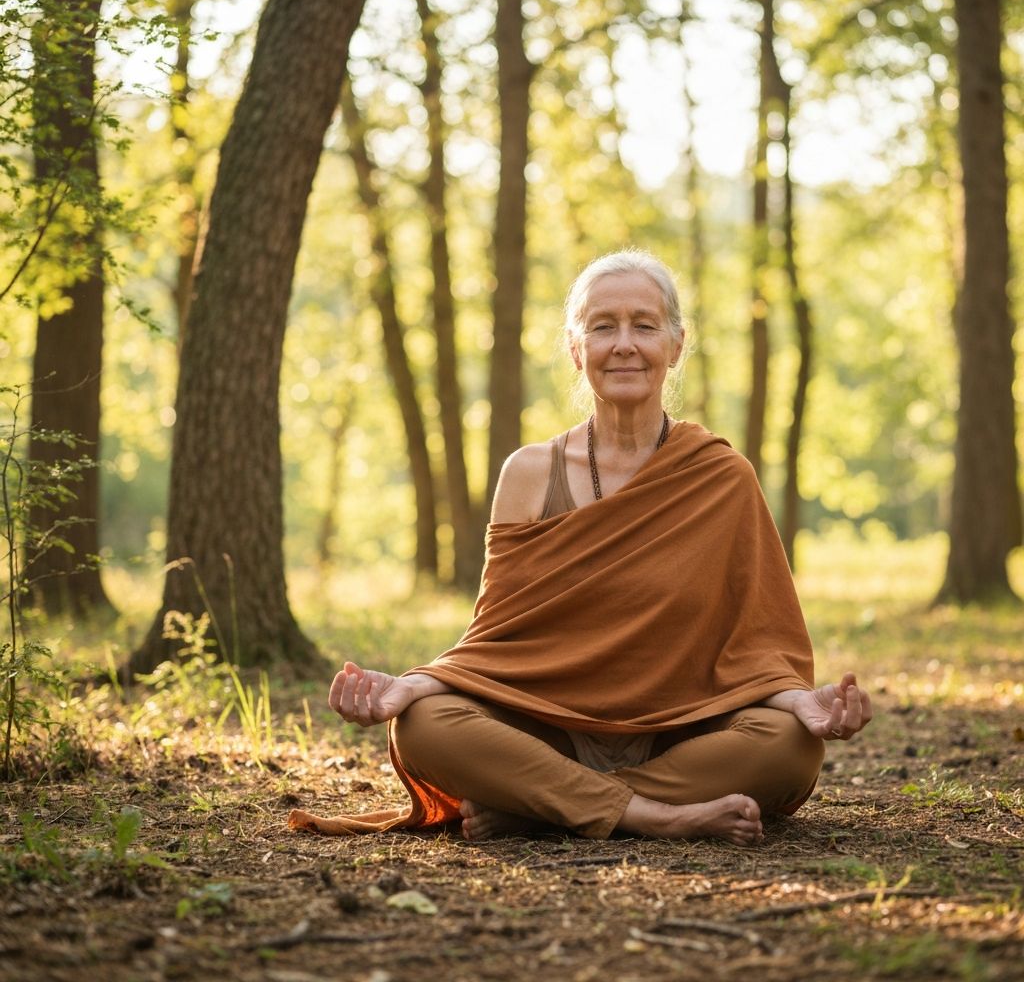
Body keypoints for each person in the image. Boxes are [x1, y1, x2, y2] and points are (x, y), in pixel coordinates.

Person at [289, 249, 872, 847]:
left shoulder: (720, 476)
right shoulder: (529, 473)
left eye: (644, 325)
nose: (624, 344)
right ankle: (651, 816)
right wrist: (416, 685)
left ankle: (539, 807)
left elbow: (754, 637)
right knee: (421, 727)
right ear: (576, 349)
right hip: (548, 728)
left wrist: (803, 701)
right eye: (602, 326)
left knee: (792, 746)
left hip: (682, 731)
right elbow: (499, 637)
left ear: (675, 345)